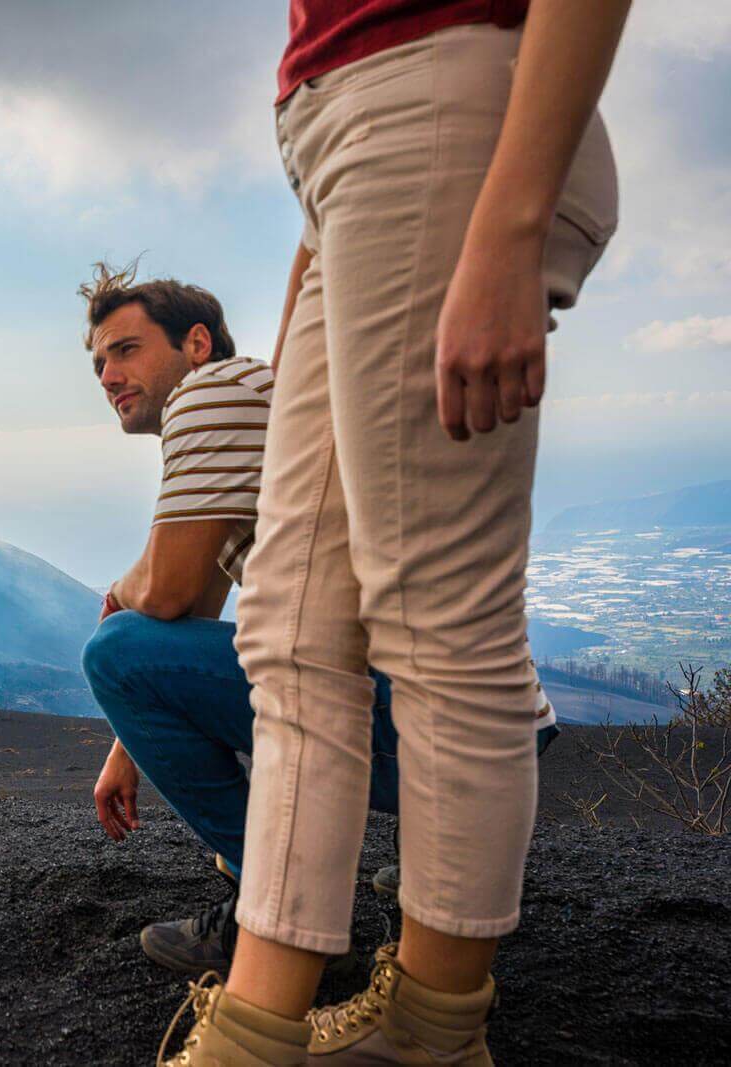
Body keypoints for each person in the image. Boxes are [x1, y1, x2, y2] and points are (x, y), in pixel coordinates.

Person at [158, 3, 627, 1065]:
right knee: (287, 626)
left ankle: (433, 1037)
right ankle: (256, 1035)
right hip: (350, 163)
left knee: (435, 615)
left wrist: (509, 223)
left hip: (437, 118)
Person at [76, 263, 556, 978]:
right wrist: (127, 747)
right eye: (98, 362)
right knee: (143, 645)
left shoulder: (211, 395)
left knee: (112, 649)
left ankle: (279, 908)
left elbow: (167, 594)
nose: (108, 373)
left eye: (126, 349)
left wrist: (118, 595)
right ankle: (423, 867)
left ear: (198, 344)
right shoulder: (257, 402)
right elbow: (194, 604)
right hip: (490, 727)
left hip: (419, 727)